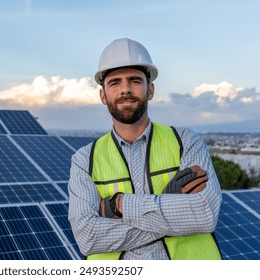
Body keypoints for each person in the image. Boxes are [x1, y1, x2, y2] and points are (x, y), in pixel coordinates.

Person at [68, 38, 222, 260]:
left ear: (150, 90)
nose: (126, 90)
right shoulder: (85, 159)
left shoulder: (186, 142)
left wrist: (120, 205)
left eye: (135, 81)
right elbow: (88, 237)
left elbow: (204, 214)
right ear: (103, 96)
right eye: (115, 83)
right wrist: (171, 209)